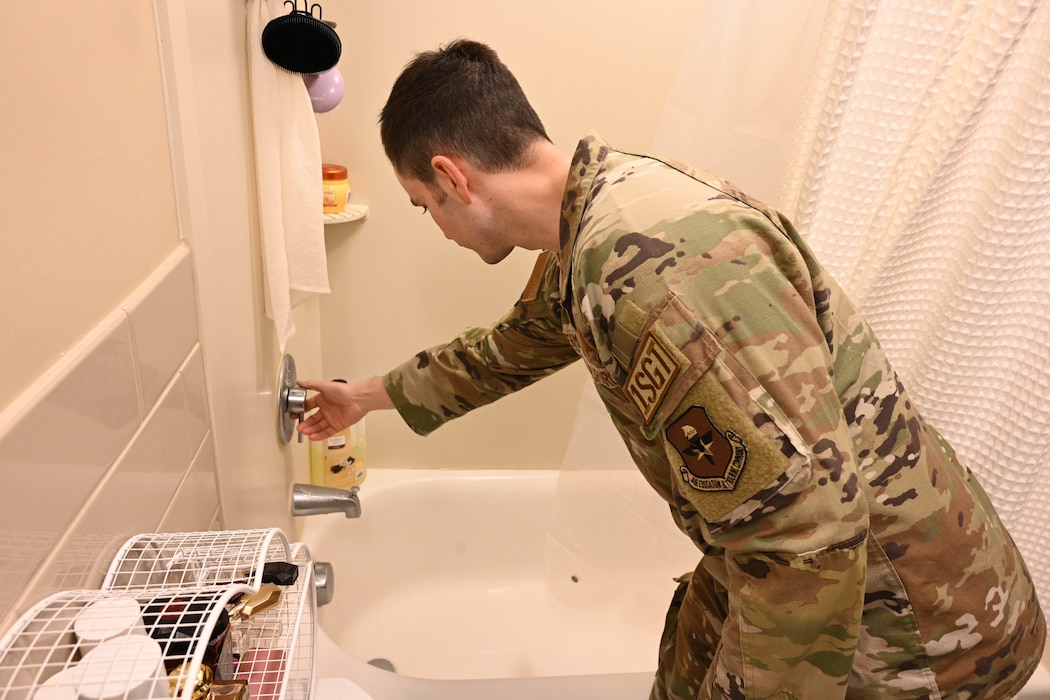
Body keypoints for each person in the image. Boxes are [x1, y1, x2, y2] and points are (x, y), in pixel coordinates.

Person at [298, 39, 1046, 699]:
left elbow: (805, 540)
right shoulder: (588, 225)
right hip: (779, 562)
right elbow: (506, 351)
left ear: (453, 177)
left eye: (425, 206)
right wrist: (362, 398)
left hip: (911, 627)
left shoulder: (657, 274)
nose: (438, 227)